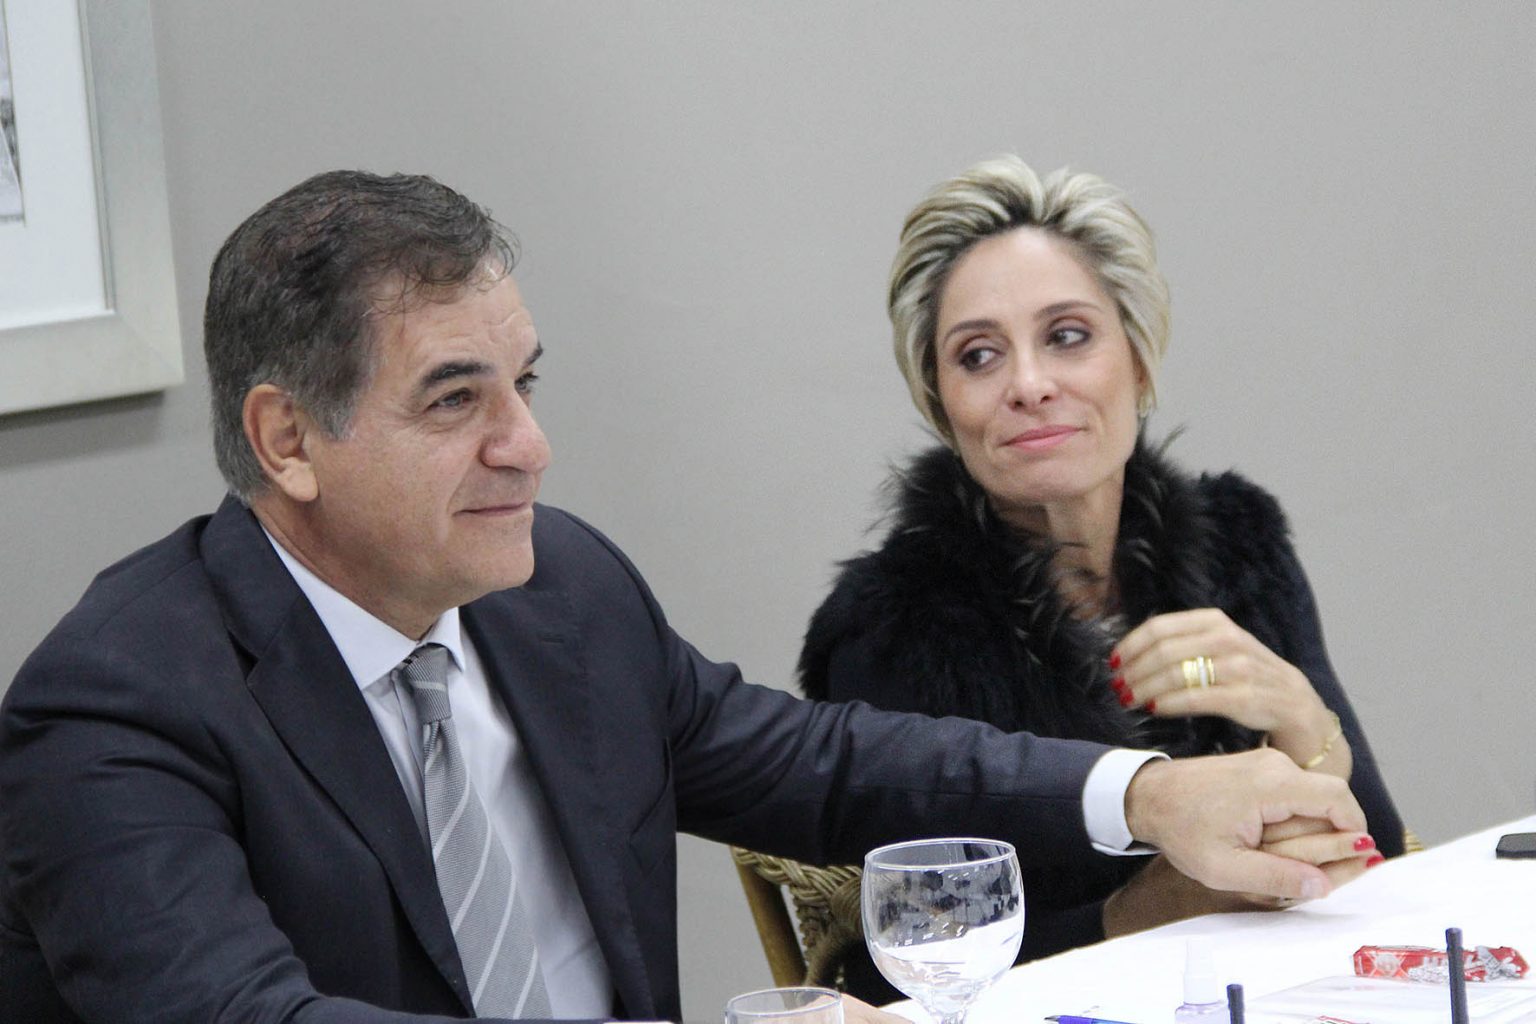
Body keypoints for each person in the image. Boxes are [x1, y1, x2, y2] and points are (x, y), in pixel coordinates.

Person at [0, 170, 1370, 1024]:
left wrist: (1146, 794)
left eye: (524, 383)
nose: (528, 446)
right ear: (288, 439)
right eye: (456, 401)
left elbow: (824, 764)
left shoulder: (561, 592)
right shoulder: (117, 707)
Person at [799, 155, 1404, 1000]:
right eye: (979, 355)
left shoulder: (1240, 540)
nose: (1030, 385)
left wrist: (1303, 715)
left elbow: (1380, 857)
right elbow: (905, 976)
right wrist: (1140, 910)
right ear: (942, 406)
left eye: (1068, 336)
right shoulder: (892, 628)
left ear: (1140, 362)